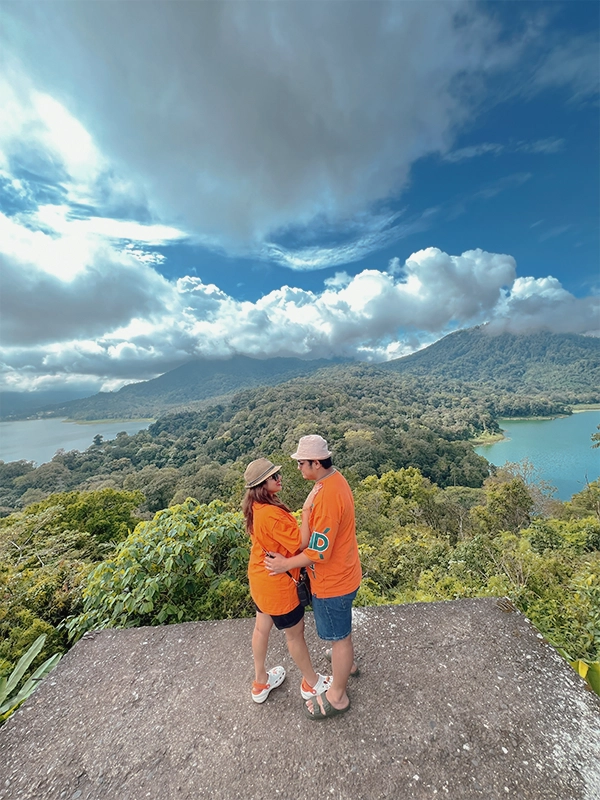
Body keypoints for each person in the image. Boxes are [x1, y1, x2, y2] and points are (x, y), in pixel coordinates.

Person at [265, 435, 362, 720]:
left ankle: (338, 696)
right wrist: (308, 508)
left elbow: (319, 552)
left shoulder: (328, 497)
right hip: (344, 573)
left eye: (301, 463)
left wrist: (285, 564)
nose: (298, 468)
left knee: (340, 638)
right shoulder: (331, 481)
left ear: (316, 463)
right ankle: (345, 663)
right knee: (340, 634)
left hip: (334, 582)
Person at [242, 457, 331, 704]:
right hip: (278, 585)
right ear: (262, 485)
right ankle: (311, 683)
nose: (279, 478)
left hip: (261, 579)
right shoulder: (271, 514)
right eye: (274, 477)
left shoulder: (256, 508)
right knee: (295, 636)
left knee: (262, 628)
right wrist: (306, 510)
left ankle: (260, 682)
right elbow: (301, 542)